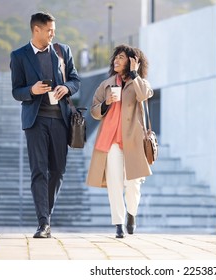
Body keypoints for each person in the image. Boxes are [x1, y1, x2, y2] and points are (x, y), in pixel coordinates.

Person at [10, 12, 80, 238]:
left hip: (60, 120)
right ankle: (43, 223)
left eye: (54, 30)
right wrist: (31, 90)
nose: (53, 34)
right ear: (36, 30)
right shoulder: (19, 56)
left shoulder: (63, 51)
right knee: (39, 170)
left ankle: (45, 216)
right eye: (49, 30)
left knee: (58, 170)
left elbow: (75, 79)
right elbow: (16, 91)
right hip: (35, 120)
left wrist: (66, 87)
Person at [86, 44, 153, 238]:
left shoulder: (141, 82)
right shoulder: (105, 84)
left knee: (133, 183)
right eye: (115, 57)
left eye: (121, 57)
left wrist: (134, 74)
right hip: (111, 140)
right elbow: (94, 111)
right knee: (114, 183)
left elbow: (144, 95)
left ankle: (132, 213)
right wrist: (106, 103)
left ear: (132, 61)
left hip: (133, 140)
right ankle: (118, 223)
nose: (116, 60)